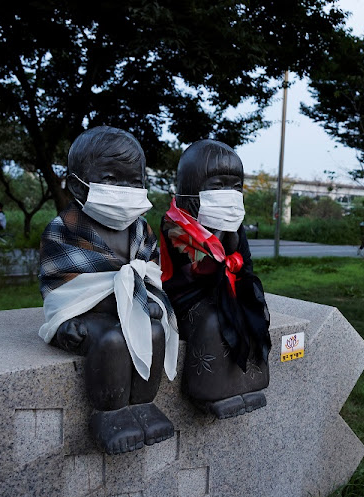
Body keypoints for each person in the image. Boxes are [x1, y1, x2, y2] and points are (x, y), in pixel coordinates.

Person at [37, 126, 179, 455]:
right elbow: (60, 285)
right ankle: (110, 414)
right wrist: (70, 320)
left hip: (126, 308)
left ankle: (144, 405)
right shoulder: (64, 228)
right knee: (113, 340)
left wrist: (148, 298)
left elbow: (150, 273)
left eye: (134, 181)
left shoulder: (140, 229)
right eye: (113, 180)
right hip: (86, 315)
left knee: (155, 333)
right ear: (76, 185)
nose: (126, 191)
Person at [160, 139, 271, 420]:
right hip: (188, 296)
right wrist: (219, 236)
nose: (229, 195)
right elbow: (197, 271)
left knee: (252, 308)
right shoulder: (176, 223)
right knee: (212, 320)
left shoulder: (235, 223)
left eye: (235, 187)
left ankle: (250, 382)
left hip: (226, 287)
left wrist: (230, 235)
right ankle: (208, 391)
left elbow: (244, 263)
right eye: (219, 185)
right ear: (191, 188)